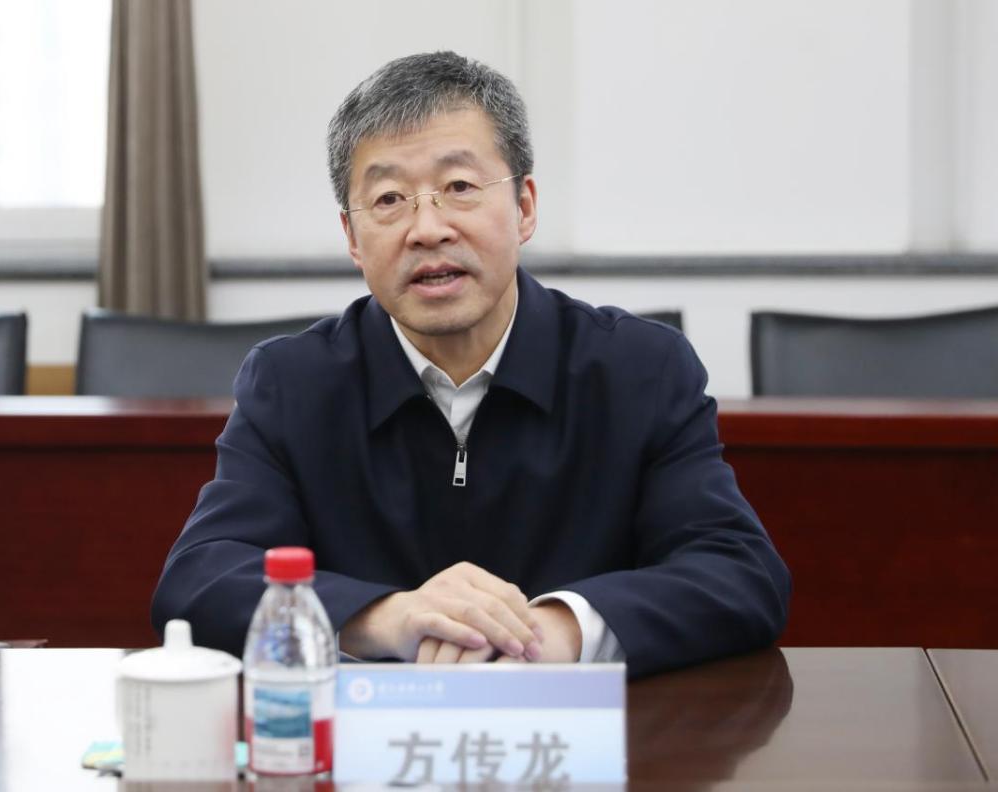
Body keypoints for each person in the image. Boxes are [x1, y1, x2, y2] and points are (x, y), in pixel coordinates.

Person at [151, 51, 790, 678]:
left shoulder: (638, 369)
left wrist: (553, 632)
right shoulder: (293, 384)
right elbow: (199, 579)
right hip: (374, 740)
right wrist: (388, 618)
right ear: (351, 237)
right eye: (389, 198)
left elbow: (738, 572)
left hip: (589, 737)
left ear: (525, 207)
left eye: (459, 187)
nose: (427, 229)